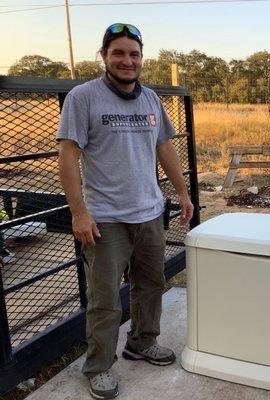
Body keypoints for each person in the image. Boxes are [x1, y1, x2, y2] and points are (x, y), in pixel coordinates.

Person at [57, 23, 194, 400]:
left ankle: (141, 342)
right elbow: (68, 154)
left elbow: (164, 147)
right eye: (118, 53)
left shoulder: (150, 98)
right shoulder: (84, 97)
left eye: (133, 54)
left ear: (141, 60)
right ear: (104, 57)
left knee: (151, 284)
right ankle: (99, 366)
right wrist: (79, 212)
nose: (126, 60)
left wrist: (181, 192)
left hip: (149, 212)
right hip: (105, 219)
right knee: (104, 299)